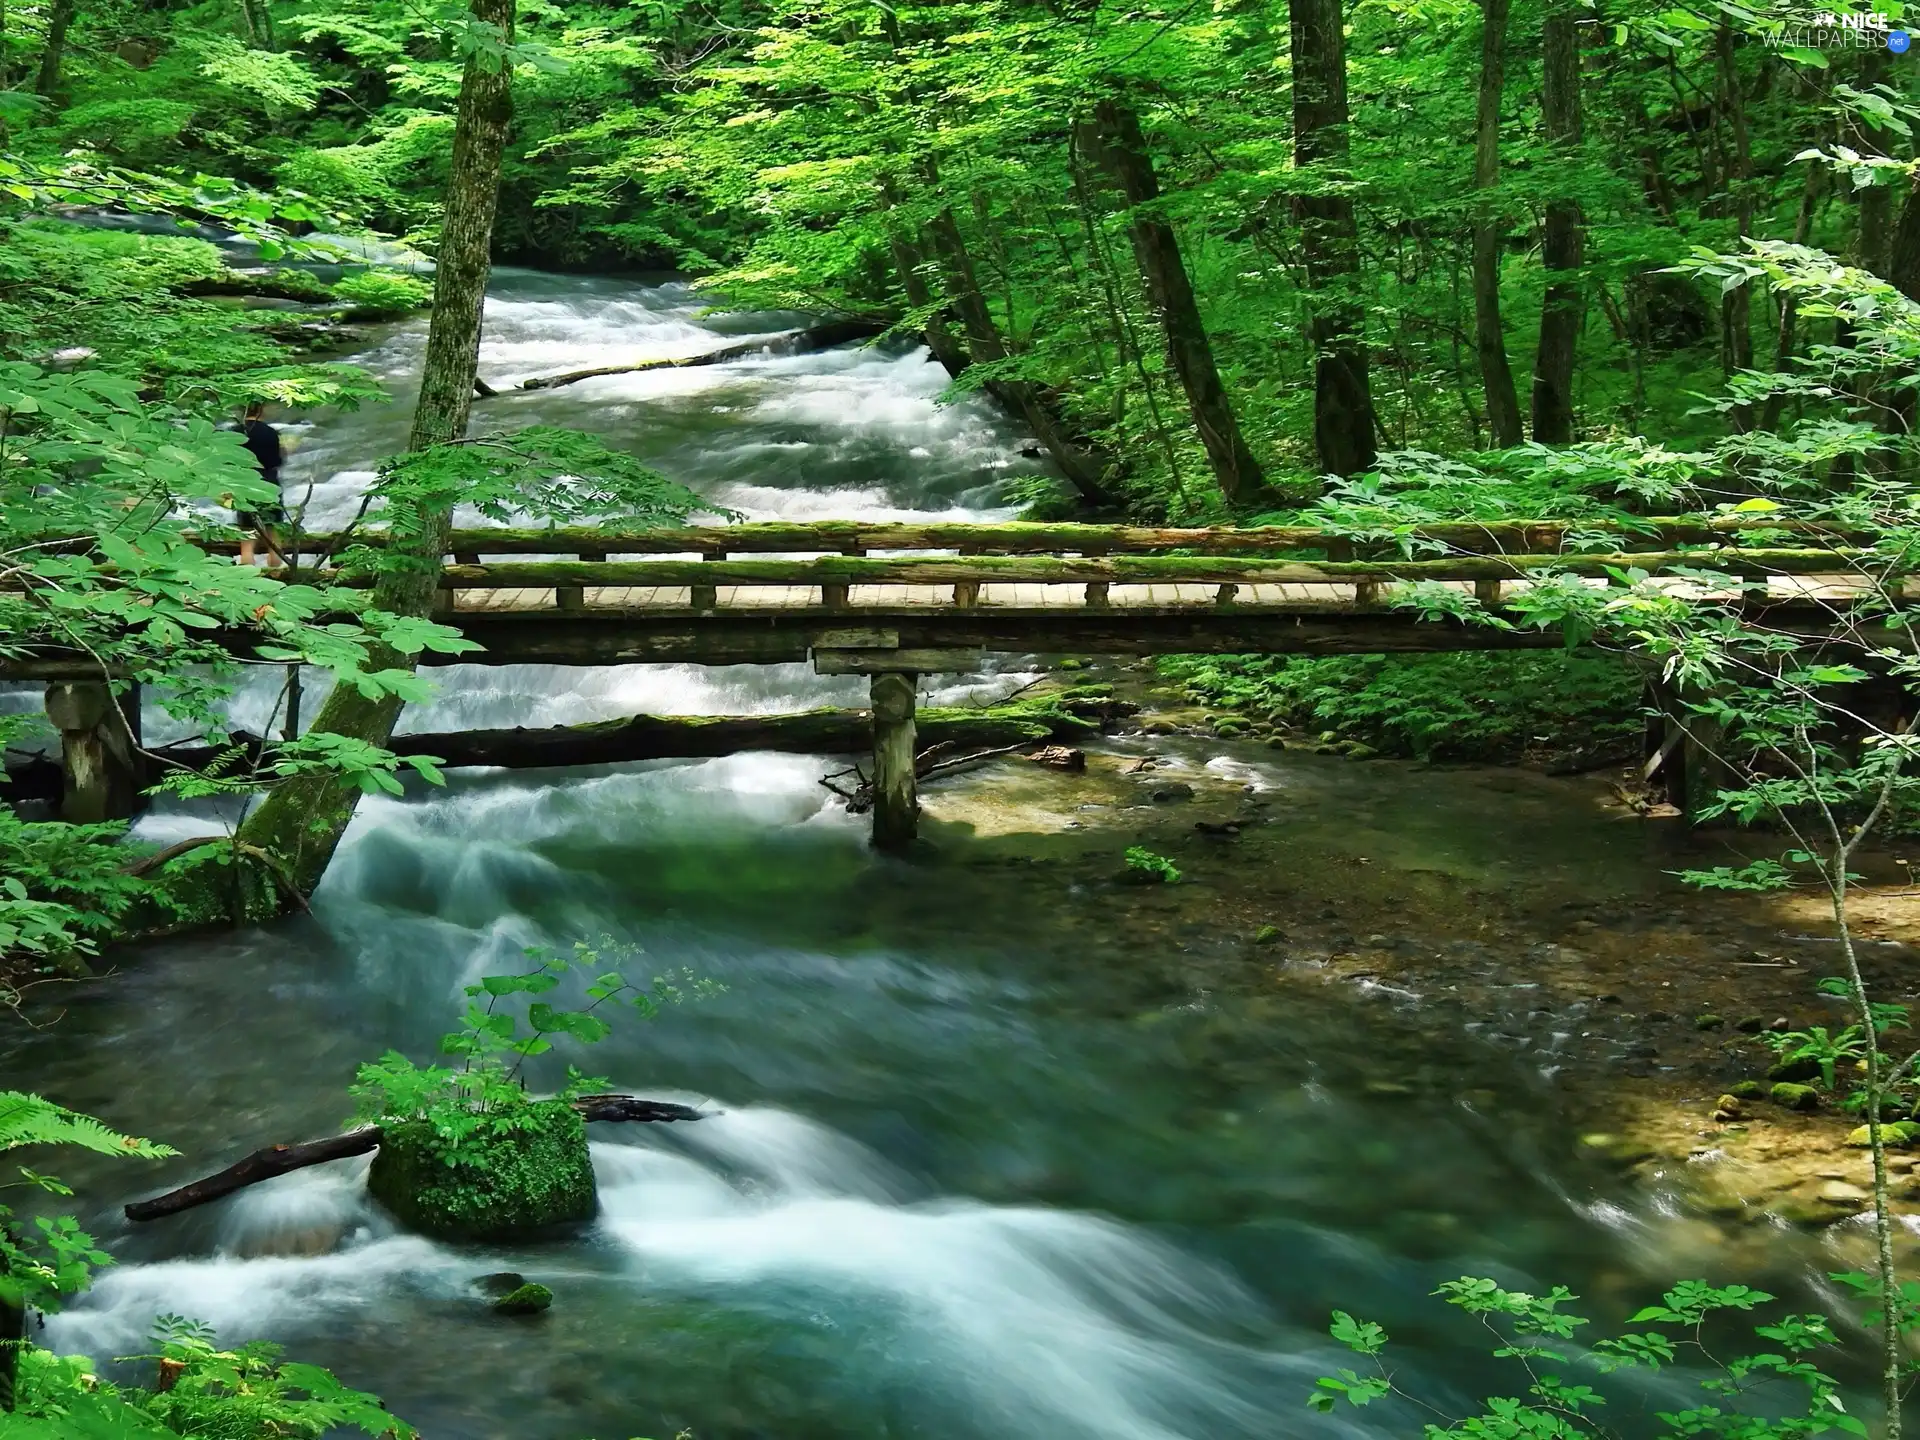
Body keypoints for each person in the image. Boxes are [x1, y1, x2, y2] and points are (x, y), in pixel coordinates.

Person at [234, 402, 287, 567]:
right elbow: (278, 461)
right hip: (270, 483)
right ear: (261, 411)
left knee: (247, 536)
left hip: (245, 483)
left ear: (243, 410)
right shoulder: (270, 432)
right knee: (273, 534)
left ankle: (248, 580)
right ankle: (277, 576)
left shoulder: (236, 432)